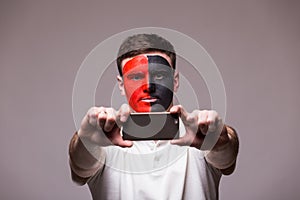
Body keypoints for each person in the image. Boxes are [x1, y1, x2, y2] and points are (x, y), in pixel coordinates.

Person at [69, 33, 239, 200]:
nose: (148, 86)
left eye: (159, 75)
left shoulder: (200, 134)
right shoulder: (103, 140)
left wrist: (220, 139)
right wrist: (86, 140)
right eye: (136, 76)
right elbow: (80, 170)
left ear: (175, 81)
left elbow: (226, 157)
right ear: (121, 85)